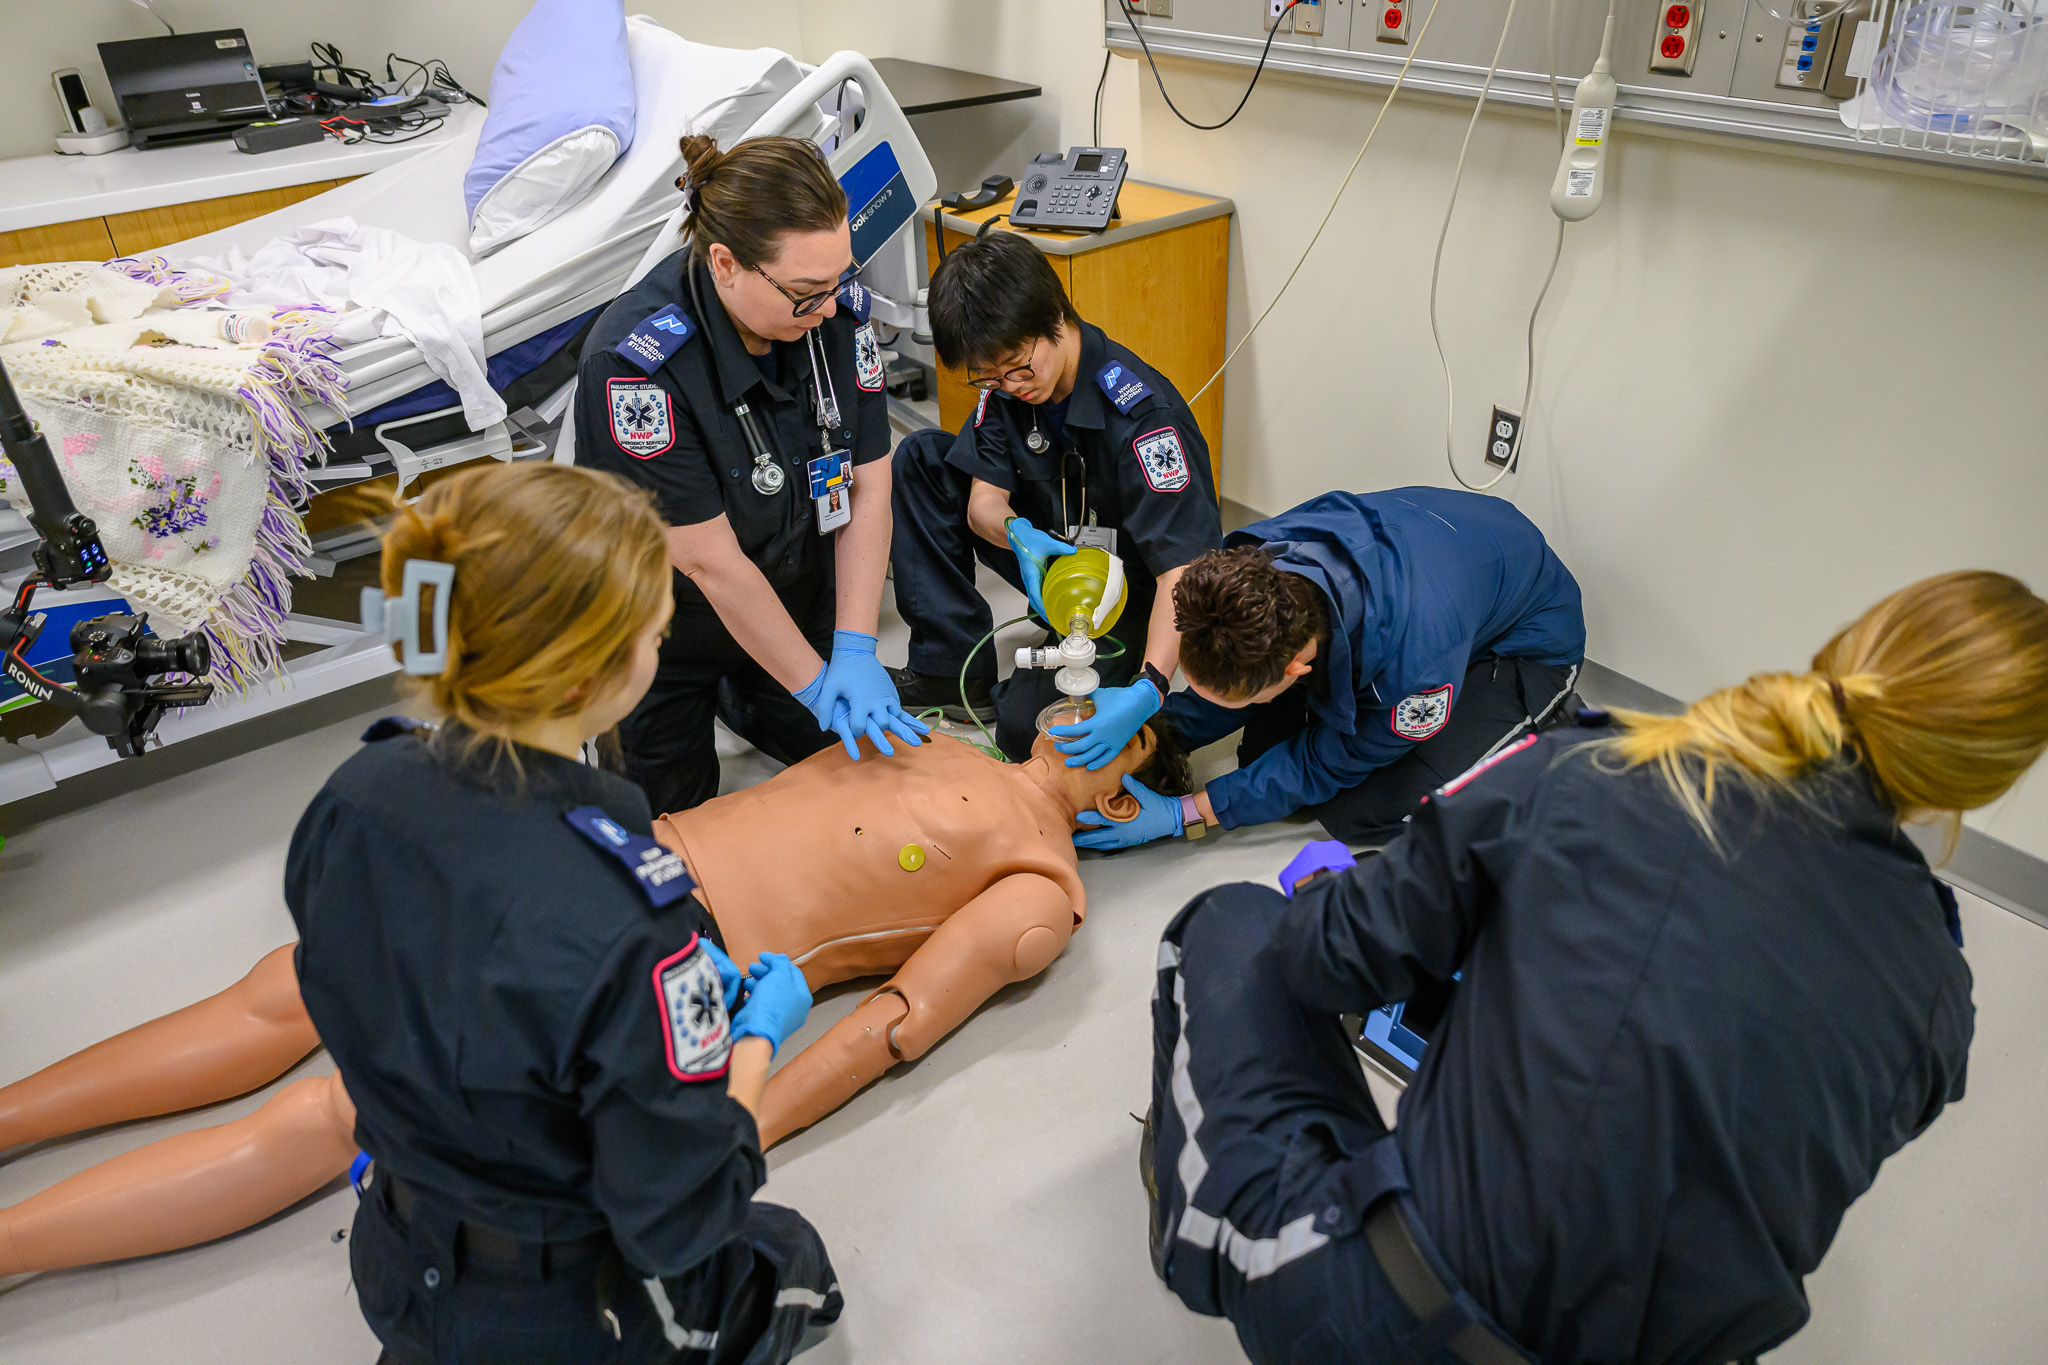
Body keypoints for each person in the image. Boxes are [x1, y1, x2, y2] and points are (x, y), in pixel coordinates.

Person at [1143, 569, 2048, 1365]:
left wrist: (1383, 908)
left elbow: (1322, 956)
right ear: (1984, 779)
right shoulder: (1943, 994)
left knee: (1233, 924)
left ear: (1848, 649)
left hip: (1390, 1317)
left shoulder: (1592, 767)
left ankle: (1202, 1208)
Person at [0, 721, 1192, 1270]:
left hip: (663, 947)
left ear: (1131, 792)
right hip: (600, 843)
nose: (1093, 716)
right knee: (292, 989)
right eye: (1096, 693)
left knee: (348, 1116)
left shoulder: (1041, 890)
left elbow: (888, 1029)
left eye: (1131, 737)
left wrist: (718, 1134)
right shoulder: (931, 729)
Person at [297, 463, 835, 1364]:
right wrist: (751, 1044)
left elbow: (351, 991)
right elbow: (681, 1217)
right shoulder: (637, 922)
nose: (662, 644)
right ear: (589, 679)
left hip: (400, 1248)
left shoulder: (358, 792)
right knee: (791, 1256)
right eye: (656, 634)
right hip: (568, 1314)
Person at [576, 133, 924, 815]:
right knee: (666, 832)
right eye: (805, 293)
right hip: (660, 630)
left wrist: (853, 646)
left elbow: (869, 482)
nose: (828, 308)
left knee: (869, 777)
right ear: (726, 263)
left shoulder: (834, 318)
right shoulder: (636, 367)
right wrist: (815, 689)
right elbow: (707, 564)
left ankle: (750, 690)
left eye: (840, 281)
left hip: (789, 592)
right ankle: (727, 691)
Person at [1074, 487, 1584, 853]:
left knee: (1358, 809)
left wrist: (1186, 814)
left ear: (1296, 666)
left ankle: (1536, 730)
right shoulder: (1248, 565)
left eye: (1247, 696)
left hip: (1524, 648)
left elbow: (1325, 763)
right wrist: (1149, 715)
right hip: (1445, 564)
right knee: (1261, 755)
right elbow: (1222, 672)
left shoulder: (1413, 671)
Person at [886, 231, 1223, 761]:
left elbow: (1183, 573)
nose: (1012, 384)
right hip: (1052, 555)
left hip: (1126, 592)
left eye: (1019, 365)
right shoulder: (1004, 388)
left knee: (1027, 736)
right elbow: (983, 501)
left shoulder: (1144, 421)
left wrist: (1149, 688)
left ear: (1055, 316)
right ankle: (948, 671)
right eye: (990, 377)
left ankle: (1110, 679)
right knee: (922, 459)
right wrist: (1019, 535)